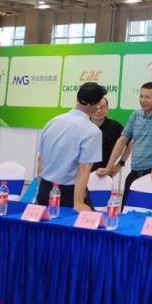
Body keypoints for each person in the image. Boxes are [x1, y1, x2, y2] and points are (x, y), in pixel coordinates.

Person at [100, 82, 152, 208]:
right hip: (135, 171)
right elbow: (122, 140)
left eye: (147, 97)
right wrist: (109, 167)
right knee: (127, 210)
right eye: (141, 96)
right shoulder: (135, 115)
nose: (143, 100)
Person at [36, 82, 104, 212]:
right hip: (68, 194)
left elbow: (40, 158)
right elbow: (84, 168)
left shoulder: (53, 122)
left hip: (44, 188)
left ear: (77, 98)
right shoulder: (92, 131)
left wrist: (40, 190)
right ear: (96, 105)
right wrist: (78, 203)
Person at [90, 97, 127, 172]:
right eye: (95, 107)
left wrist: (121, 163)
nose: (98, 110)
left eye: (102, 107)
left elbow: (130, 143)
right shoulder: (81, 125)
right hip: (79, 173)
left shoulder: (115, 126)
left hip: (103, 173)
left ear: (107, 109)